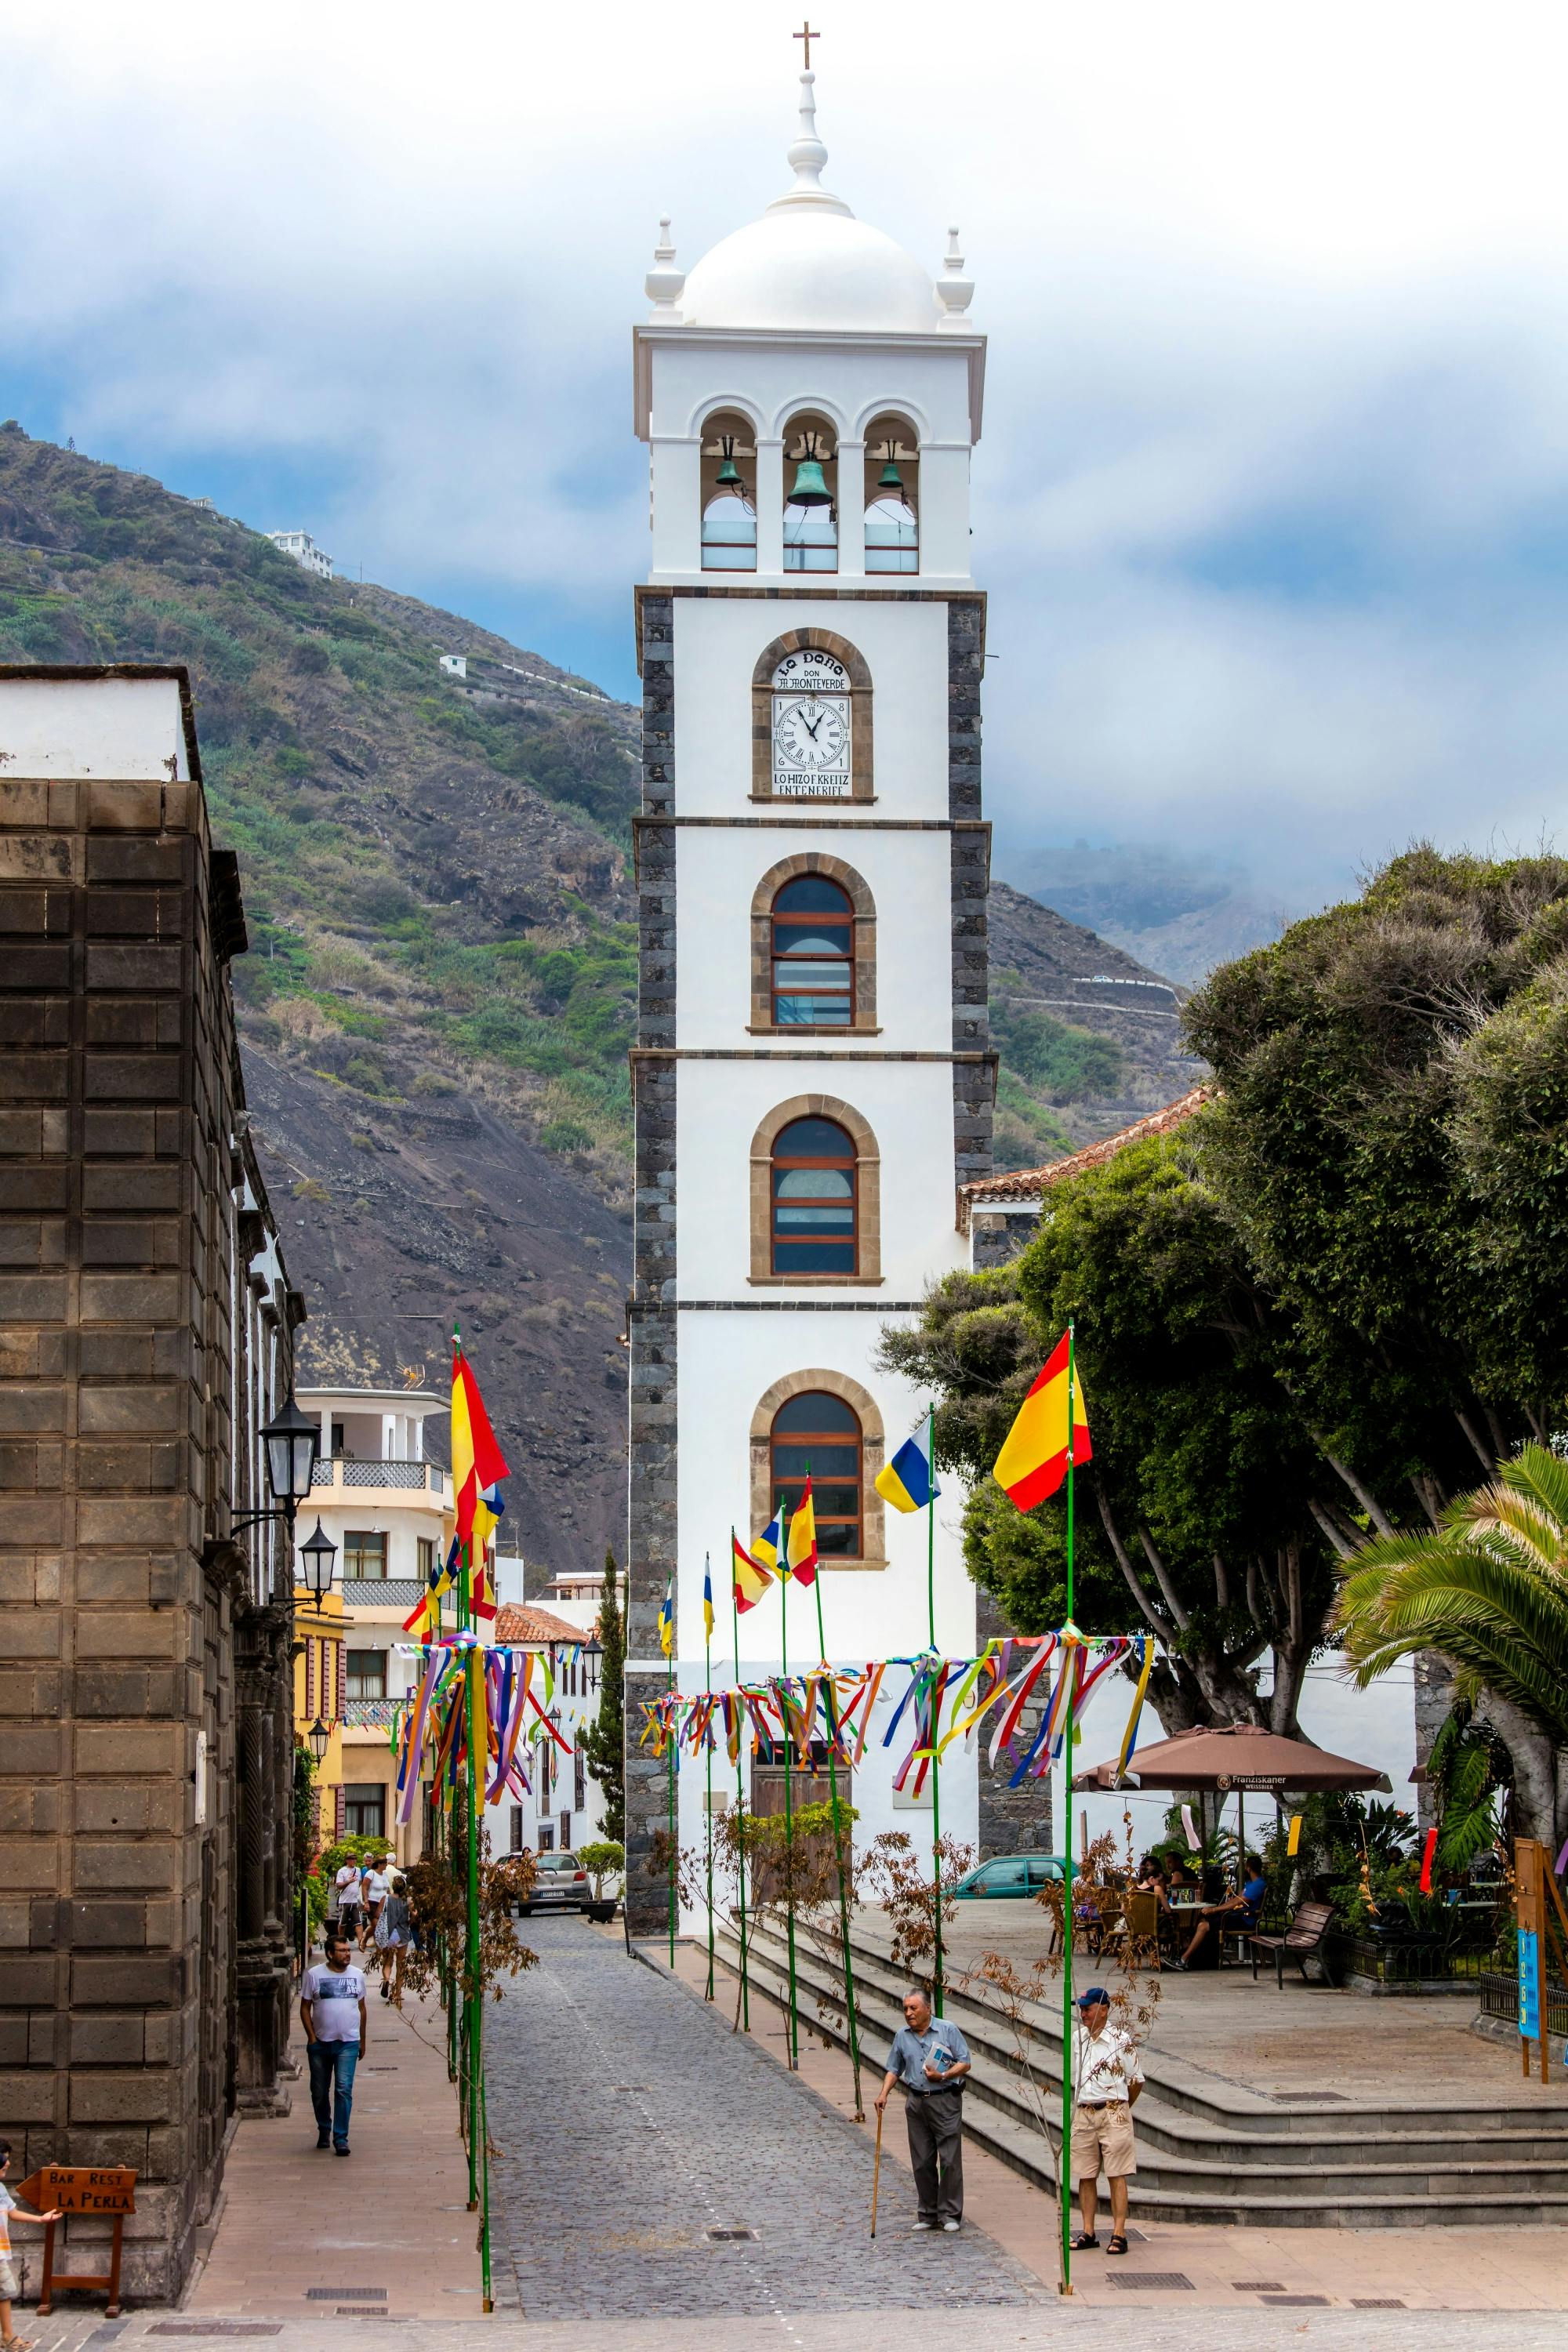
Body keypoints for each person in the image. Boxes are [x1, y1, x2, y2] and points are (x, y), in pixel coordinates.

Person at [874, 1988, 971, 2234]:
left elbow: (965, 2061)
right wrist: (883, 2093)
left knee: (949, 2159)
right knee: (921, 2161)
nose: (908, 2013)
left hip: (945, 2100)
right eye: (905, 2008)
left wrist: (944, 2075)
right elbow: (894, 2068)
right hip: (916, 2102)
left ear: (928, 2008)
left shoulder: (947, 2029)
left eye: (913, 2008)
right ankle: (928, 2214)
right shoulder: (902, 2036)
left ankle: (949, 2213)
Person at [1069, 1987, 1144, 2256]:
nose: (1083, 2014)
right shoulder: (1078, 2039)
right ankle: (1088, 2230)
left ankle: (1119, 2232)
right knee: (1085, 2173)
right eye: (1082, 2009)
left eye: (1088, 2009)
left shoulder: (1120, 2040)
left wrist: (1121, 2106)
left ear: (1104, 2010)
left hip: (1113, 2109)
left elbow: (1136, 2080)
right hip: (1084, 2110)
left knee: (1117, 2173)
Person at [300, 1930, 368, 2156]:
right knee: (319, 2091)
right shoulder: (314, 1975)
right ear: (330, 1954)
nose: (347, 1954)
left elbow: (362, 2008)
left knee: (343, 2089)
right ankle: (324, 2128)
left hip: (348, 2043)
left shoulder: (358, 1975)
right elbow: (305, 2007)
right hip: (320, 2043)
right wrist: (311, 2037)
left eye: (348, 1950)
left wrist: (362, 2040)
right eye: (342, 1951)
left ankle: (341, 2137)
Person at [0, 2140, 61, 2352]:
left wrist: (41, 2219)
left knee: (4, 2291)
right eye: (3, 2159)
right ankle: (8, 2337)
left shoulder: (0, 2189)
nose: (7, 2164)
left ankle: (7, 2337)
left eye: (7, 2159)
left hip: (0, 2253)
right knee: (4, 2291)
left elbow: (12, 2212)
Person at [1170, 1853, 1267, 1970]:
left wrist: (1215, 1909)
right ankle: (1193, 1956)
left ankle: (1183, 1960)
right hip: (1237, 1916)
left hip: (1245, 1920)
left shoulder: (1258, 1884)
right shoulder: (1250, 1883)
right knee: (1201, 1919)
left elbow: (1240, 1902)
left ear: (1248, 1868)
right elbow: (1236, 1899)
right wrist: (1218, 1908)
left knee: (1203, 1926)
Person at [375, 1869, 412, 2005]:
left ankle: (386, 1980)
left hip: (388, 1934)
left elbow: (378, 1914)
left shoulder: (386, 1898)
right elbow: (415, 1915)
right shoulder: (408, 1900)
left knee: (387, 1962)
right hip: (402, 1935)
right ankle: (398, 1993)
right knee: (400, 1964)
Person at [362, 1853, 391, 1950]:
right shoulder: (371, 1873)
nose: (387, 1865)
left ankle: (367, 1938)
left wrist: (391, 1899)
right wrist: (366, 1902)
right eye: (385, 1863)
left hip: (384, 1903)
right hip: (373, 1903)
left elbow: (387, 1889)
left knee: (380, 1926)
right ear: (380, 1864)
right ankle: (376, 1944)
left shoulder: (385, 1874)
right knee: (377, 1925)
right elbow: (365, 1887)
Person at [334, 1857, 364, 1949]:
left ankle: (360, 1943)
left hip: (355, 1901)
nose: (354, 1861)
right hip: (345, 1901)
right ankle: (341, 1941)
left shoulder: (358, 1870)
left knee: (358, 1922)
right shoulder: (342, 1871)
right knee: (342, 1923)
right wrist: (348, 1882)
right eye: (351, 1859)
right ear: (347, 1860)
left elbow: (360, 1882)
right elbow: (338, 1885)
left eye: (355, 1859)